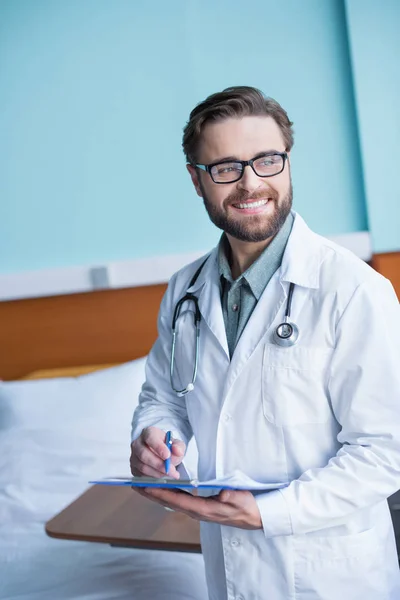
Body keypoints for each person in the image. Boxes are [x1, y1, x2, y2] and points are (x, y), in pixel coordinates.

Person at [130, 86, 400, 600]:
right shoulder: (184, 290)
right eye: (226, 167)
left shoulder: (352, 290)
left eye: (267, 160)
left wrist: (268, 512)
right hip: (230, 569)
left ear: (288, 162)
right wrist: (156, 438)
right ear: (197, 179)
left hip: (330, 575)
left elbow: (388, 449)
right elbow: (163, 398)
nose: (251, 183)